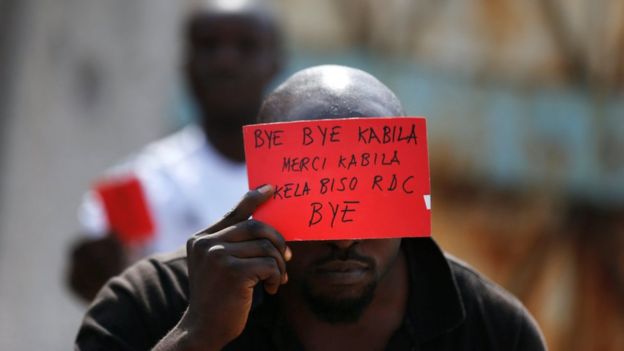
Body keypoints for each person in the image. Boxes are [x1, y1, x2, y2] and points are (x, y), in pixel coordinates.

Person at [75, 65, 547, 350]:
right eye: (313, 200)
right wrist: (197, 336)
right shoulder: (148, 307)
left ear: (412, 189)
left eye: (367, 197)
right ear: (259, 192)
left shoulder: (495, 334)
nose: (342, 236)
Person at [67, 0, 284, 302]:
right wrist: (97, 274)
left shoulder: (300, 178)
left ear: (276, 62)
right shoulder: (138, 182)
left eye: (246, 46)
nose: (226, 62)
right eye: (208, 45)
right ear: (185, 63)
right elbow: (103, 289)